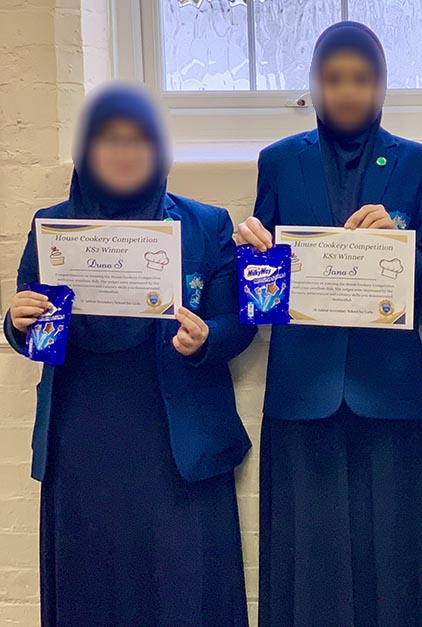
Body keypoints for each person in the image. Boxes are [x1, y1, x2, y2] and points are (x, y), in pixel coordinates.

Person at [4, 83, 253, 627]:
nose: (124, 152)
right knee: (91, 589)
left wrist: (205, 338)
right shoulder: (52, 226)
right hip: (83, 442)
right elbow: (35, 328)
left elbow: (237, 324)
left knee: (183, 590)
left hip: (177, 442)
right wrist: (18, 322)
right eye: (108, 139)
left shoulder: (206, 224)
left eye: (140, 139)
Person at [235, 21, 422, 627]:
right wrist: (251, 256)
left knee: (392, 564)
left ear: (382, 84)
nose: (347, 91)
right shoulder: (279, 161)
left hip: (387, 395)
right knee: (306, 563)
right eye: (333, 79)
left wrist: (399, 244)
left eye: (361, 78)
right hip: (302, 393)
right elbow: (261, 294)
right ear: (314, 84)